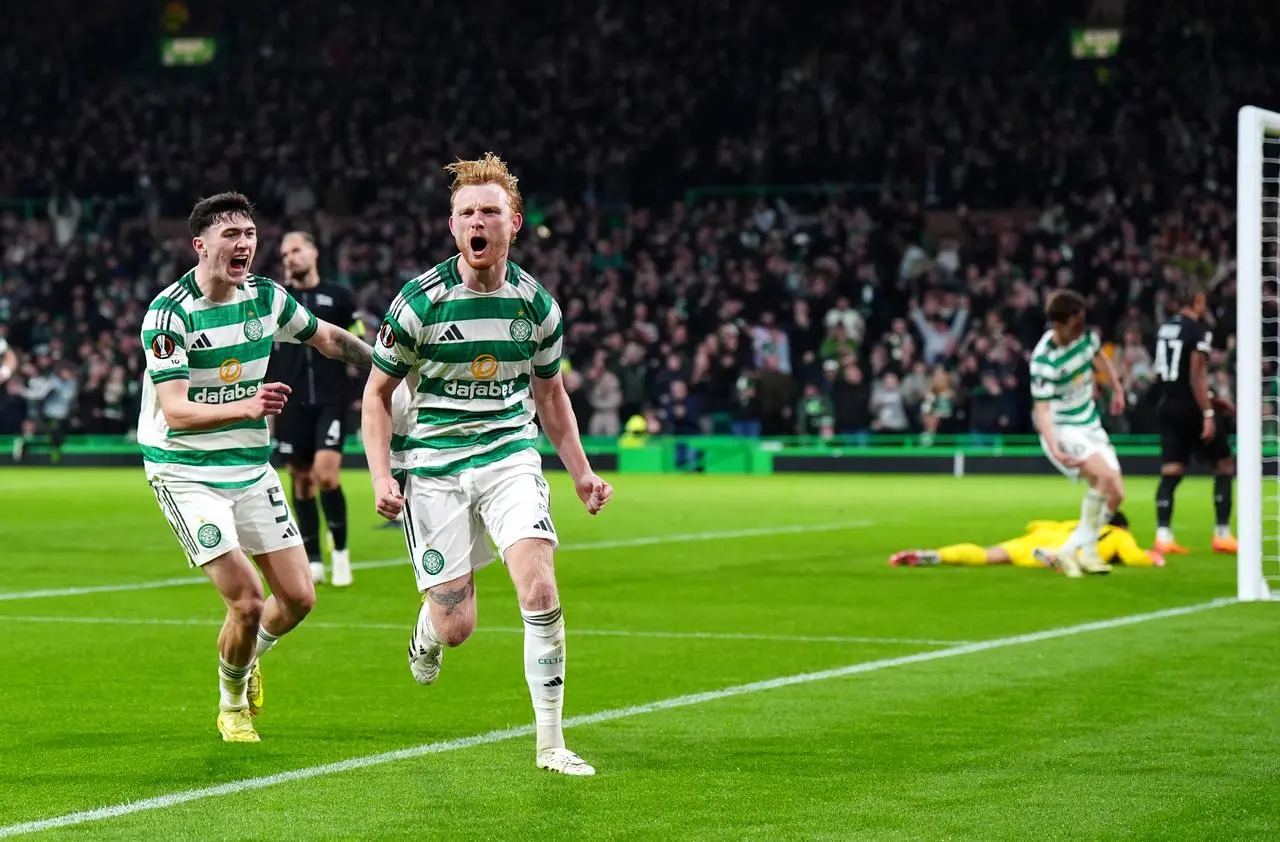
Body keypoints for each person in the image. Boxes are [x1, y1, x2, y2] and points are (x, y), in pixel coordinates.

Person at [361, 153, 613, 777]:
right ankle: (427, 628)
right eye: (467, 212)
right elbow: (375, 394)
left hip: (509, 458)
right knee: (456, 628)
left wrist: (580, 472)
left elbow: (551, 395)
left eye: (490, 212)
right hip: (435, 468)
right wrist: (381, 475)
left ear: (514, 223)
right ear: (452, 226)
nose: (478, 221)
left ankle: (551, 744)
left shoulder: (536, 307)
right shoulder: (419, 303)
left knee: (540, 589)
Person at [138, 192, 372, 743]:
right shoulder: (169, 314)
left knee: (298, 599)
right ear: (200, 245)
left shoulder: (267, 297)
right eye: (231, 235)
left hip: (249, 468)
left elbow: (329, 339)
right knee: (245, 599)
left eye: (249, 233)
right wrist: (246, 407)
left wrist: (393, 363)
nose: (244, 243)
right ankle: (231, 703)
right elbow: (175, 411)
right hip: (185, 472)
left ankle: (249, 658)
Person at [268, 231, 362, 586]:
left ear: (313, 252)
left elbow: (356, 340)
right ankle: (313, 557)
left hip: (331, 398)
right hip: (291, 402)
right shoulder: (278, 300)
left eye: (295, 250)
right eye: (284, 253)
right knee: (302, 482)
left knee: (326, 475)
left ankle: (340, 553)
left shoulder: (339, 296)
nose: (290, 257)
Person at [1030, 290, 1127, 577]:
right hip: (1064, 429)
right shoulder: (1044, 360)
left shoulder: (1086, 337)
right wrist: (1056, 447)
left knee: (1117, 494)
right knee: (1104, 477)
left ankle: (1070, 551)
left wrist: (1116, 388)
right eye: (1075, 326)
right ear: (1058, 326)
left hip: (1090, 424)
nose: (1081, 331)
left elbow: (1098, 357)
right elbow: (1042, 411)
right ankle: (1088, 552)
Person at [1151, 280, 1238, 555]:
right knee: (1224, 465)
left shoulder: (1166, 328)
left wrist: (1211, 395)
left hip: (1166, 403)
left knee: (1172, 470)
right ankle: (1222, 534)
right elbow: (1195, 375)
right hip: (1191, 407)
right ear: (1198, 301)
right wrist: (1209, 412)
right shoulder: (1199, 331)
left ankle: (1163, 536)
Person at [889, 511, 1165, 573]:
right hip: (1068, 549)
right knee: (1079, 560)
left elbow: (1036, 524)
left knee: (988, 555)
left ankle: (939, 556)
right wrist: (1152, 558)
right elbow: (1132, 557)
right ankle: (1054, 557)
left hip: (1037, 538)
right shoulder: (1118, 535)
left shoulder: (1074, 523)